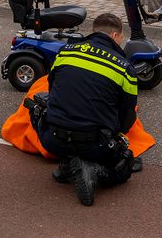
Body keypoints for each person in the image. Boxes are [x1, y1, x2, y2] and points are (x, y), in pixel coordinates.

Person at [36, 13, 139, 206]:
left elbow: (53, 90)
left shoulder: (65, 52)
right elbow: (127, 116)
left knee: (40, 105)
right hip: (94, 145)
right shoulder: (124, 67)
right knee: (125, 165)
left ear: (94, 31)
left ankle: (67, 164)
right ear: (116, 35)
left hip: (53, 139)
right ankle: (94, 172)